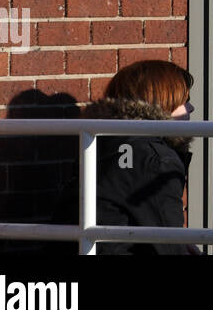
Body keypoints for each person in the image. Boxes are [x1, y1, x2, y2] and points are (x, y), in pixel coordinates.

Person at [64, 60, 196, 255]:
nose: (191, 107)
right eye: (184, 100)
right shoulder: (155, 159)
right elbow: (169, 245)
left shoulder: (96, 141)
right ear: (162, 102)